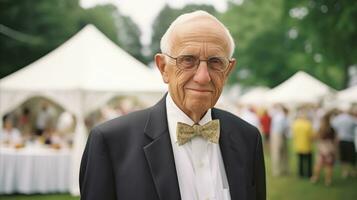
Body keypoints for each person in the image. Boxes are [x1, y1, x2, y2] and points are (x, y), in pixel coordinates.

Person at [80, 10, 266, 200]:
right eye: (188, 60)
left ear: (227, 71)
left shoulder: (248, 139)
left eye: (215, 62)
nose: (203, 77)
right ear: (163, 68)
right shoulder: (111, 142)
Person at [310, 112, 337, 186]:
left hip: (321, 149)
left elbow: (314, 138)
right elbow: (335, 140)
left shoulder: (320, 129)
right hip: (330, 149)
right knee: (329, 166)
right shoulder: (332, 129)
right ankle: (328, 181)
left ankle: (315, 178)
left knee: (318, 165)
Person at [331, 106, 357, 178]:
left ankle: (345, 172)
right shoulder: (351, 119)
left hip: (341, 140)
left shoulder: (337, 119)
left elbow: (333, 126)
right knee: (352, 157)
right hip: (350, 140)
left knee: (343, 157)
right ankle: (354, 171)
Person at [292, 109, 314, 178]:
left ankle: (300, 174)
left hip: (298, 145)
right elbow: (311, 135)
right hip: (307, 145)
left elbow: (293, 134)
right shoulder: (308, 124)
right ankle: (309, 174)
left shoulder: (295, 123)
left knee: (300, 161)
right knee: (308, 161)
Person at [270, 104, 290, 176]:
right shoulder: (281, 117)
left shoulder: (280, 116)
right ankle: (277, 171)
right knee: (278, 154)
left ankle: (282, 170)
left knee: (281, 154)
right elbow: (285, 128)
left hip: (278, 135)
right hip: (278, 135)